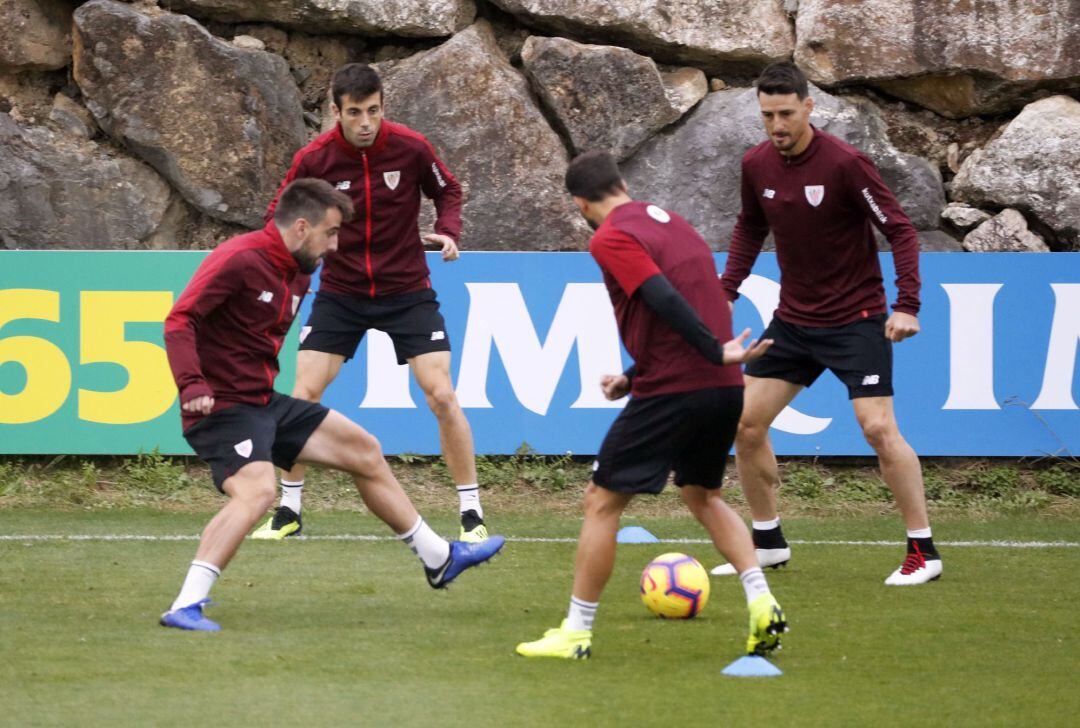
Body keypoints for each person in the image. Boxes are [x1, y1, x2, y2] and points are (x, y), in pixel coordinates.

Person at [159, 178, 504, 631]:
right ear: (302, 228)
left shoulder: (299, 270)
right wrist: (192, 384)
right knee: (259, 491)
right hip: (221, 408)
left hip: (262, 402)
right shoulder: (240, 259)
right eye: (331, 233)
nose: (337, 245)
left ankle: (439, 558)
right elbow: (179, 320)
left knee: (362, 449)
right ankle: (185, 604)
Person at [516, 151, 787, 660]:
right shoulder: (675, 225)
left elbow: (661, 297)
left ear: (580, 204)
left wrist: (709, 349)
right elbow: (690, 307)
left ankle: (575, 632)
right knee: (702, 494)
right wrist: (631, 375)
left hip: (677, 389)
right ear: (623, 184)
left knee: (601, 501)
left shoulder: (611, 236)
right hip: (722, 388)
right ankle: (762, 601)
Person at [711, 61, 941, 585]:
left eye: (786, 113)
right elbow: (750, 227)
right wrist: (724, 291)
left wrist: (908, 305)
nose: (777, 125)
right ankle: (766, 541)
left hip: (856, 319)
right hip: (793, 321)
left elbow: (900, 230)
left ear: (809, 107)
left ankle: (923, 551)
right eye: (767, 114)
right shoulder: (756, 164)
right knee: (745, 424)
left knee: (879, 429)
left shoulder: (845, 163)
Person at [253, 63, 489, 543]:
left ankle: (471, 514)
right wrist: (284, 265)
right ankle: (288, 510)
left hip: (407, 289)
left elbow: (449, 190)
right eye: (355, 112)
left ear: (384, 107)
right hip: (341, 292)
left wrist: (449, 230)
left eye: (374, 111)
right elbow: (279, 218)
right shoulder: (314, 159)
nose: (366, 122)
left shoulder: (411, 147)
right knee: (304, 396)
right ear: (336, 112)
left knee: (441, 393)